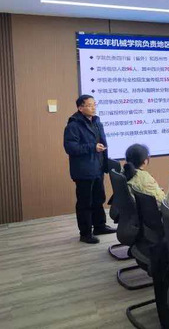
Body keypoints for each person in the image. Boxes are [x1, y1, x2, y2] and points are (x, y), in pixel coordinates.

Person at [63, 94, 116, 244]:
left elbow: (102, 143)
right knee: (85, 203)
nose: (93, 107)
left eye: (94, 104)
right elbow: (70, 148)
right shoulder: (73, 125)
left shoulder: (97, 122)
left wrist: (104, 163)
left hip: (97, 167)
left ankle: (99, 226)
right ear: (80, 108)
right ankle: (85, 233)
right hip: (83, 171)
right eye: (89, 105)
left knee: (98, 198)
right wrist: (92, 147)